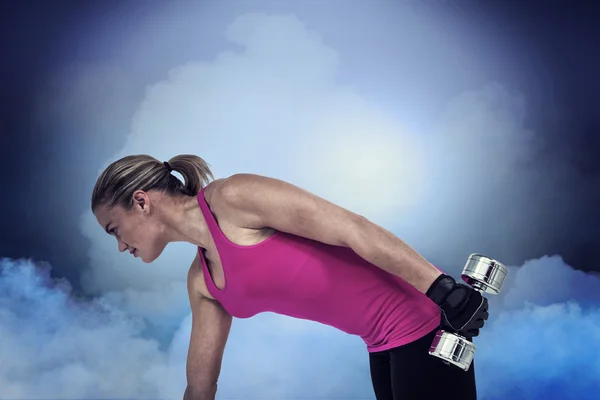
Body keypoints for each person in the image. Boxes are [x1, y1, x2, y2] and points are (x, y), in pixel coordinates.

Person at [91, 154, 489, 400]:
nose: (120, 246)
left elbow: (352, 227)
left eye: (114, 229)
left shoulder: (234, 198)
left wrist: (443, 290)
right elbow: (200, 388)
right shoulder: (203, 282)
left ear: (141, 202)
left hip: (423, 319)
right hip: (382, 346)